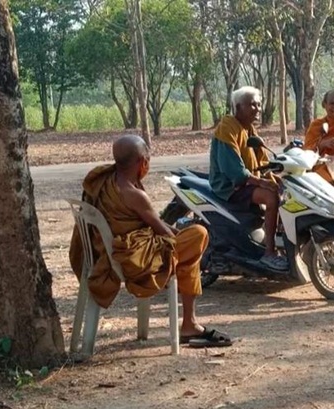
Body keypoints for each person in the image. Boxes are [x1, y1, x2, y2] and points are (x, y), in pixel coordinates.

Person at [69, 135, 234, 348]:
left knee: (187, 253)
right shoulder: (134, 194)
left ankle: (190, 324)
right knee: (199, 234)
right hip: (132, 259)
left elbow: (157, 226)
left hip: (104, 251)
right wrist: (184, 234)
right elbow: (163, 231)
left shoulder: (105, 180)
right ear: (141, 162)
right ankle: (189, 324)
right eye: (147, 158)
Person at [209, 86, 287, 271]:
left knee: (286, 191)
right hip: (229, 186)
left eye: (259, 105)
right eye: (252, 105)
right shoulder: (226, 129)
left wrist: (276, 176)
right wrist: (263, 182)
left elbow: (261, 161)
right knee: (271, 197)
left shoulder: (248, 129)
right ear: (238, 107)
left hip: (247, 181)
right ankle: (269, 253)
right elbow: (235, 172)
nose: (258, 109)